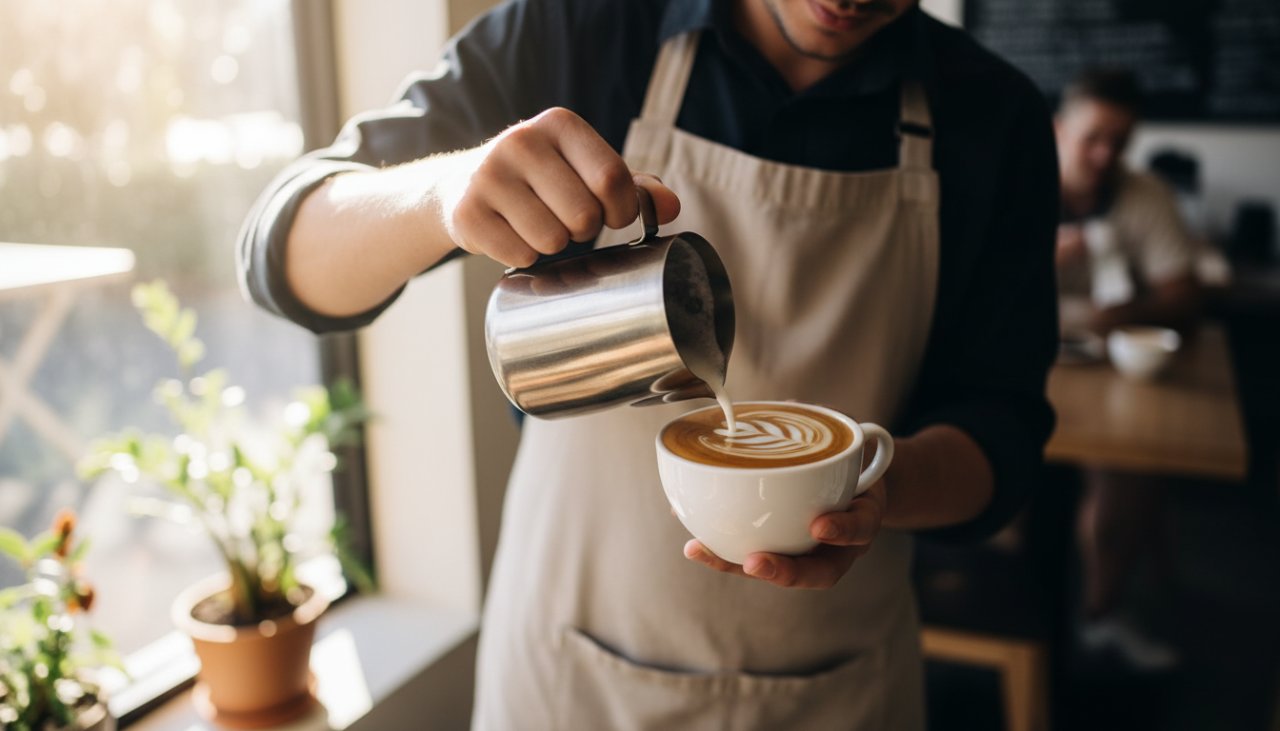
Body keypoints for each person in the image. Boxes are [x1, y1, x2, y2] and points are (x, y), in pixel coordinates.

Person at [238, 1, 1059, 727]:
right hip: (571, 683)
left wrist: (881, 488)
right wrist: (442, 194)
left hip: (837, 687)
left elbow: (1004, 431)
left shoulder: (995, 116)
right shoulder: (581, 28)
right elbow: (280, 254)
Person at [1053, 68, 1201, 671]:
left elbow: (1184, 296)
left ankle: (1100, 613)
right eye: (1093, 137)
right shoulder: (1012, 183)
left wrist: (1121, 311)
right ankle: (1011, 611)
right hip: (1019, 362)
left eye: (1120, 141)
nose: (1105, 154)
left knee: (1132, 468)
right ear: (1058, 129)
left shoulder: (1145, 195)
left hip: (1108, 375)